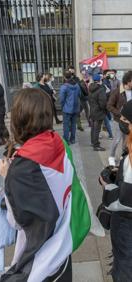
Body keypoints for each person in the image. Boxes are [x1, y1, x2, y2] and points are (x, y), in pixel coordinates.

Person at [0, 88, 91, 281]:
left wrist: (8, 179)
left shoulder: (22, 168)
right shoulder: (58, 141)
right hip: (64, 237)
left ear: (18, 118)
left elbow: (18, 222)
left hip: (43, 251)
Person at [100, 100, 132, 282]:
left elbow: (123, 201)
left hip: (128, 228)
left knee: (125, 270)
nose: (122, 124)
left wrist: (106, 184)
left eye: (126, 121)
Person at [107, 71, 132, 166]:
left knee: (126, 141)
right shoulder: (117, 91)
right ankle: (111, 157)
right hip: (118, 121)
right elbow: (109, 106)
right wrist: (120, 115)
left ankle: (123, 156)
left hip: (129, 122)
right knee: (116, 140)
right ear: (128, 81)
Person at [59, 71, 81, 144]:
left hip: (67, 109)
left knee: (66, 125)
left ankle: (66, 140)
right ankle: (73, 139)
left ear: (64, 77)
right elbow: (79, 95)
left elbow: (61, 99)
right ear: (71, 76)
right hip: (75, 108)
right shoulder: (77, 85)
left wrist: (62, 107)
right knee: (73, 124)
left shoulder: (64, 87)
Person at [88, 74, 107, 151]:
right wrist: (104, 110)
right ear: (100, 80)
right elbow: (103, 102)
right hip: (99, 112)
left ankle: (93, 142)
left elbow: (89, 100)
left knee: (93, 128)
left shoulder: (90, 88)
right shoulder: (101, 89)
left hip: (92, 111)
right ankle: (96, 145)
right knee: (97, 129)